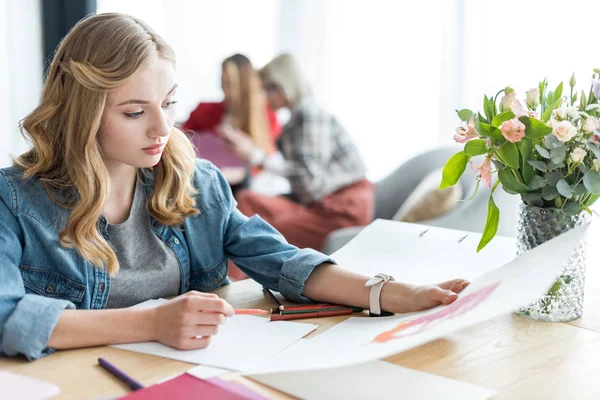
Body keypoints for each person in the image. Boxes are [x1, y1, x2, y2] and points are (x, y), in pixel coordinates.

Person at [0, 13, 469, 361]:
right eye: (135, 112)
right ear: (81, 112)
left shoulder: (197, 183)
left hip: (189, 376)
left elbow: (284, 263)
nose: (163, 128)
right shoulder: (15, 201)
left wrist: (391, 293)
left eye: (169, 103)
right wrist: (150, 322)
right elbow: (6, 316)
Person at [222, 53, 374, 254]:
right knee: (247, 200)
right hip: (319, 203)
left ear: (283, 85)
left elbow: (310, 182)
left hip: (341, 209)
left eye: (268, 89)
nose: (265, 97)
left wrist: (256, 157)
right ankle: (232, 279)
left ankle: (233, 281)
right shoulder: (296, 118)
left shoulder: (311, 113)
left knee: (258, 231)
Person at [182, 54, 280, 192]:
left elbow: (268, 164)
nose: (225, 91)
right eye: (223, 83)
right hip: (205, 181)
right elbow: (179, 145)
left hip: (244, 186)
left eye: (229, 84)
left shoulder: (267, 117)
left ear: (244, 85)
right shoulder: (203, 111)